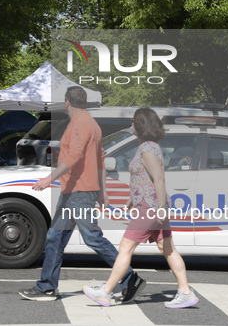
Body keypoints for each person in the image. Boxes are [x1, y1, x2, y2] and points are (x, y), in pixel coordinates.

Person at [18, 86, 144, 302]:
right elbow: (101, 159)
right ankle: (47, 287)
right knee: (55, 238)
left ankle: (130, 277)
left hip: (80, 192)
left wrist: (50, 178)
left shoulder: (80, 124)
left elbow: (74, 157)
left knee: (92, 238)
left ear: (67, 102)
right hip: (74, 192)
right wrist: (102, 192)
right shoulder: (91, 124)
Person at [82, 107, 198, 308]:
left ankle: (106, 292)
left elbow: (158, 178)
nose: (131, 125)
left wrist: (160, 207)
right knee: (167, 247)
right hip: (150, 203)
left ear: (140, 125)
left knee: (126, 247)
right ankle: (185, 292)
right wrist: (132, 198)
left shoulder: (147, 149)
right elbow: (144, 178)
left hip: (151, 207)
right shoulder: (149, 146)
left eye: (133, 122)